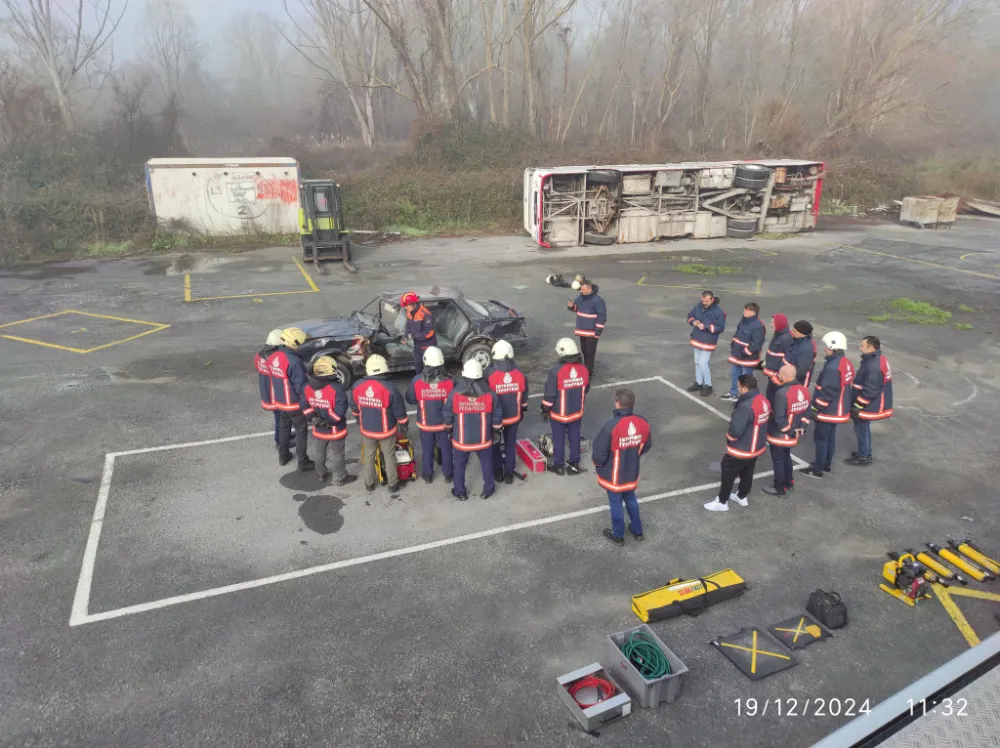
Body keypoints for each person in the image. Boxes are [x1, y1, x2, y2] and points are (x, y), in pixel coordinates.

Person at [592, 388, 652, 546]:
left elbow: (599, 454)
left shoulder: (611, 426)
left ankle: (618, 534)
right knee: (631, 498)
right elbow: (646, 445)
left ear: (617, 403)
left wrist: (598, 465)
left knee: (615, 503)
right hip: (631, 472)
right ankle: (637, 530)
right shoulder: (643, 423)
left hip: (614, 475)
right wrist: (634, 455)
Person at [704, 374, 769, 512]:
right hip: (756, 446)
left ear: (744, 388)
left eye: (739, 386)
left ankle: (722, 501)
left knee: (728, 471)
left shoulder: (745, 406)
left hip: (743, 448)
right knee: (747, 471)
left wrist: (730, 439)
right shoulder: (762, 400)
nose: (737, 388)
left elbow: (736, 429)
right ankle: (741, 495)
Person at [444, 360, 502, 500]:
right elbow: (497, 416)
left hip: (461, 440)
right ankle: (488, 489)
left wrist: (449, 431)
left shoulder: (454, 394)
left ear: (464, 374)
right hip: (483, 440)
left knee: (459, 466)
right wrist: (496, 431)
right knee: (486, 464)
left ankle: (460, 491)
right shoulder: (490, 394)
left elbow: (448, 417)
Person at [351, 354, 409, 492]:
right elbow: (399, 411)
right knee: (389, 456)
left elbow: (354, 407)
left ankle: (369, 484)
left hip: (367, 430)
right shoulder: (390, 388)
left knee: (369, 455)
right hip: (386, 431)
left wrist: (358, 419)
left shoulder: (357, 385)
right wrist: (404, 424)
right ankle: (392, 484)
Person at [804, 331, 855, 479]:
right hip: (839, 410)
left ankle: (817, 469)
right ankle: (826, 464)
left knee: (821, 439)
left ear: (833, 348)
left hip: (828, 411)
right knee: (830, 438)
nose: (825, 349)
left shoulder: (833, 368)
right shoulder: (846, 363)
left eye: (827, 347)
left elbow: (828, 392)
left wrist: (815, 408)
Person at [540, 338, 590, 475]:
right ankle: (574, 464)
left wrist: (544, 409)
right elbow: (586, 389)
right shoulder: (584, 370)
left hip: (559, 414)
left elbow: (550, 395)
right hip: (576, 412)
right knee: (574, 436)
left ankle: (559, 465)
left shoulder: (555, 371)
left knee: (559, 438)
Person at [405, 346, 455, 484]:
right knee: (446, 449)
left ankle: (428, 475)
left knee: (427, 450)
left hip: (425, 424)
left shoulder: (417, 380)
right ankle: (448, 474)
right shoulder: (450, 381)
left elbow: (410, 399)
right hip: (444, 424)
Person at [304, 356, 356, 485]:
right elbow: (341, 409)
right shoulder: (336, 389)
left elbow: (304, 405)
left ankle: (321, 474)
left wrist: (313, 418)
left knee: (319, 452)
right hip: (335, 429)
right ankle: (340, 478)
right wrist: (330, 421)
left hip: (318, 429)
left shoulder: (307, 387)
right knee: (337, 454)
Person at [267, 327, 314, 471]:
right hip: (293, 404)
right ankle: (302, 461)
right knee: (301, 431)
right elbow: (301, 387)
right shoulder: (294, 362)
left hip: (280, 401)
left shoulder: (273, 356)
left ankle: (283, 455)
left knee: (283, 427)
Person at [763, 364, 810, 496]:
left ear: (784, 376)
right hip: (794, 434)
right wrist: (800, 429)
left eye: (779, 374)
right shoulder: (804, 390)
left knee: (778, 460)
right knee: (786, 456)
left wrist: (789, 432)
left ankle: (779, 488)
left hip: (780, 435)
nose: (778, 376)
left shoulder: (781, 393)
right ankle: (789, 482)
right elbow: (807, 414)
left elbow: (779, 418)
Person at [845, 335, 893, 467]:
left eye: (862, 346)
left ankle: (863, 456)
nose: (860, 348)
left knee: (862, 429)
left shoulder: (873, 366)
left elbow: (870, 390)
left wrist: (857, 405)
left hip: (868, 404)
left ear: (871, 348)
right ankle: (865, 452)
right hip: (871, 402)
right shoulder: (878, 359)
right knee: (864, 428)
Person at [485, 340, 528, 485]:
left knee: (495, 445)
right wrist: (521, 410)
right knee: (510, 444)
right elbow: (524, 397)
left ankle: (498, 473)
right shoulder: (520, 374)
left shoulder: (489, 375)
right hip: (514, 417)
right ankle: (509, 473)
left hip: (496, 420)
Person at [721, 302, 766, 402]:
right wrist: (733, 343)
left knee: (746, 379)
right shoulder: (743, 321)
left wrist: (746, 351)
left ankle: (747, 398)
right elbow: (737, 333)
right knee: (734, 375)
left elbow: (757, 343)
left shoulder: (758, 326)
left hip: (747, 358)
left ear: (753, 312)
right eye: (744, 309)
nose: (744, 311)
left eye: (746, 310)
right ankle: (733, 394)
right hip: (738, 355)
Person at [686, 290, 726, 397]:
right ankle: (699, 383)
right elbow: (690, 316)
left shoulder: (718, 312)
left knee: (703, 363)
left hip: (708, 341)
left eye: (706, 301)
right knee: (697, 362)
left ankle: (708, 385)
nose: (704, 303)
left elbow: (721, 328)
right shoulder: (699, 306)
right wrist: (694, 322)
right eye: (703, 301)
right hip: (697, 339)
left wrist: (706, 327)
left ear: (712, 299)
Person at [567, 279, 607, 378]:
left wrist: (597, 332)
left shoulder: (598, 301)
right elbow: (577, 309)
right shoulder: (580, 298)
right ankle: (586, 369)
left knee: (589, 354)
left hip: (591, 333)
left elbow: (602, 317)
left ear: (589, 289)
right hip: (582, 331)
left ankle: (588, 374)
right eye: (581, 289)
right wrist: (571, 306)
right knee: (584, 351)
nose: (581, 291)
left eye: (583, 289)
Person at [256, 328, 283, 450]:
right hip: (275, 394)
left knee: (279, 418)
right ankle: (280, 441)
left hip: (266, 392)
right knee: (280, 419)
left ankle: (282, 436)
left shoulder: (260, 355)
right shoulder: (274, 358)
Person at [401, 291, 437, 376]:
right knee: (418, 366)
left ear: (412, 304)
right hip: (417, 345)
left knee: (429, 368)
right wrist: (405, 336)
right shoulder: (409, 312)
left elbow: (430, 332)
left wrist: (415, 336)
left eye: (406, 306)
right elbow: (408, 326)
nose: (405, 308)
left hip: (428, 346)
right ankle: (419, 383)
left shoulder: (425, 314)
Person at [761, 313, 792, 401]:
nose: (771, 325)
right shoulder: (779, 334)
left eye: (773, 323)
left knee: (774, 396)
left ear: (779, 324)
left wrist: (778, 373)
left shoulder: (785, 338)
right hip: (773, 372)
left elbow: (786, 358)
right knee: (771, 394)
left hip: (776, 374)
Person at [787, 320, 817, 386]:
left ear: (802, 333)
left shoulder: (807, 349)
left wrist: (787, 374)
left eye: (795, 331)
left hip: (799, 381)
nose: (792, 332)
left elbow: (801, 370)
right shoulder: (797, 340)